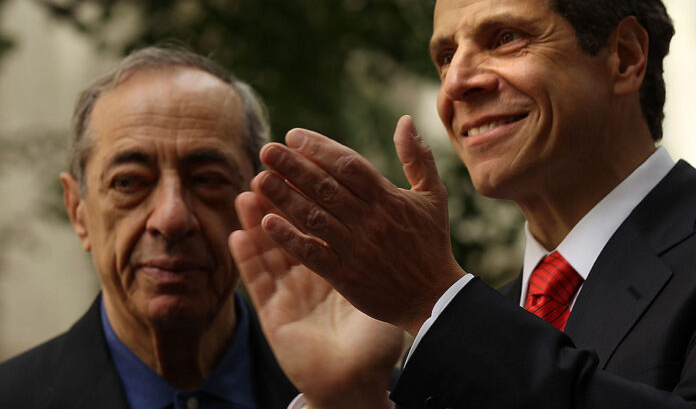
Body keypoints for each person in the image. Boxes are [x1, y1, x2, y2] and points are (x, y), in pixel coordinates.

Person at [229, 0, 696, 408]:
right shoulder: (477, 320)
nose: (456, 83)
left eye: (505, 37)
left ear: (624, 57)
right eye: (446, 55)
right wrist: (352, 396)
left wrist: (435, 300)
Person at [0, 47, 399, 408]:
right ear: (78, 211)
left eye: (208, 180)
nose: (172, 219)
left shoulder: (371, 393)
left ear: (260, 202)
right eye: (129, 182)